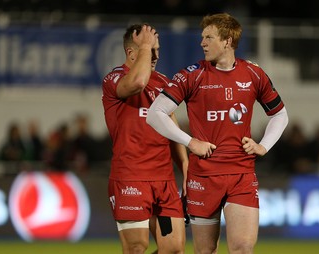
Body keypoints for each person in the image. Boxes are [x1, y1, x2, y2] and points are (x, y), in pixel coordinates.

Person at [147, 13, 289, 254]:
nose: (202, 42)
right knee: (205, 251)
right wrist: (190, 141)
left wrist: (263, 146)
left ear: (227, 41)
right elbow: (155, 114)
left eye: (209, 37)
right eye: (202, 37)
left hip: (241, 174)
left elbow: (280, 115)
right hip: (203, 176)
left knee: (243, 247)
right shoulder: (192, 75)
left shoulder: (253, 74)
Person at [101, 24, 188, 254]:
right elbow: (137, 83)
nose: (155, 55)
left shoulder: (163, 83)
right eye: (150, 49)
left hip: (164, 181)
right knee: (137, 248)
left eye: (157, 49)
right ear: (132, 53)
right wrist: (145, 45)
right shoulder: (114, 79)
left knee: (174, 250)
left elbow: (171, 126)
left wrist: (186, 166)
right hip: (131, 178)